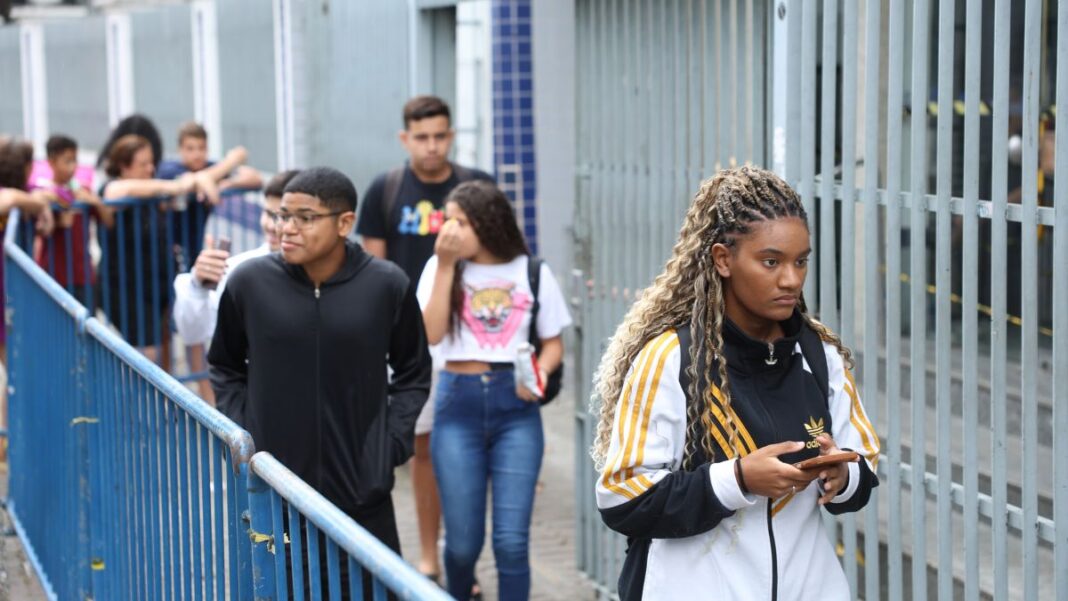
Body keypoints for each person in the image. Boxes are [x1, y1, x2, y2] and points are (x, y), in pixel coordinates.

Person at [591, 166, 880, 601]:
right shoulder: (671, 358)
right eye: (771, 262)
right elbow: (621, 497)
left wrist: (842, 474)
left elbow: (864, 465)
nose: (791, 279)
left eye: (801, 261)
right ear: (723, 259)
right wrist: (739, 479)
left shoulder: (820, 355)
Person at [208, 167, 431, 595]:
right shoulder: (249, 283)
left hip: (363, 499)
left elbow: (413, 371)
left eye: (305, 218)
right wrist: (249, 434)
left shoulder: (386, 284)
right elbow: (224, 366)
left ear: (344, 223)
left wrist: (391, 444)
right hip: (275, 497)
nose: (286, 228)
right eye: (283, 215)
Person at [356, 94, 493, 585]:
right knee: (425, 451)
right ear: (405, 138)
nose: (432, 146)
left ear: (451, 136)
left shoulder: (476, 187)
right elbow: (372, 268)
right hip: (409, 339)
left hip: (473, 337)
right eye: (422, 137)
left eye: (439, 136)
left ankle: (462, 559)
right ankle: (429, 556)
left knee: (468, 452)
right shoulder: (386, 189)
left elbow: (500, 255)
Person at [417, 180, 572, 601]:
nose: (449, 230)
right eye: (447, 221)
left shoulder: (532, 270)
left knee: (511, 543)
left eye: (460, 222)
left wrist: (540, 373)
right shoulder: (440, 267)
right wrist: (445, 265)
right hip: (457, 405)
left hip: (516, 411)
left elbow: (553, 343)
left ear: (487, 223)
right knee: (463, 544)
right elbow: (430, 335)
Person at [172, 169, 298, 403]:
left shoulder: (330, 275)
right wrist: (198, 285)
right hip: (252, 409)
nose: (272, 225)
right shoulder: (238, 270)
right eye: (268, 214)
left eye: (284, 216)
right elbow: (193, 332)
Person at [99, 133, 209, 363]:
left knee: (164, 345)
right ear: (124, 166)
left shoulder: (150, 193)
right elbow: (114, 191)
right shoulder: (114, 189)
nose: (150, 169)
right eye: (143, 164)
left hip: (156, 285)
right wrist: (174, 185)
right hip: (126, 287)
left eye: (152, 162)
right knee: (148, 354)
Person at [0, 136, 56, 463]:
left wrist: (40, 203)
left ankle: (11, 440)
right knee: (14, 371)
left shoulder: (27, 192)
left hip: (13, 296)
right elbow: (7, 198)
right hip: (6, 297)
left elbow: (53, 193)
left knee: (17, 371)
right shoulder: (12, 197)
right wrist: (37, 204)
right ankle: (9, 440)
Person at [33, 134, 114, 306]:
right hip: (53, 274)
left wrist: (95, 202)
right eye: (67, 161)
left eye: (75, 160)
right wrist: (58, 219)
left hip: (83, 274)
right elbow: (38, 228)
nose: (73, 166)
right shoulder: (43, 192)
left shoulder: (83, 192)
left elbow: (108, 221)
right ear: (52, 162)